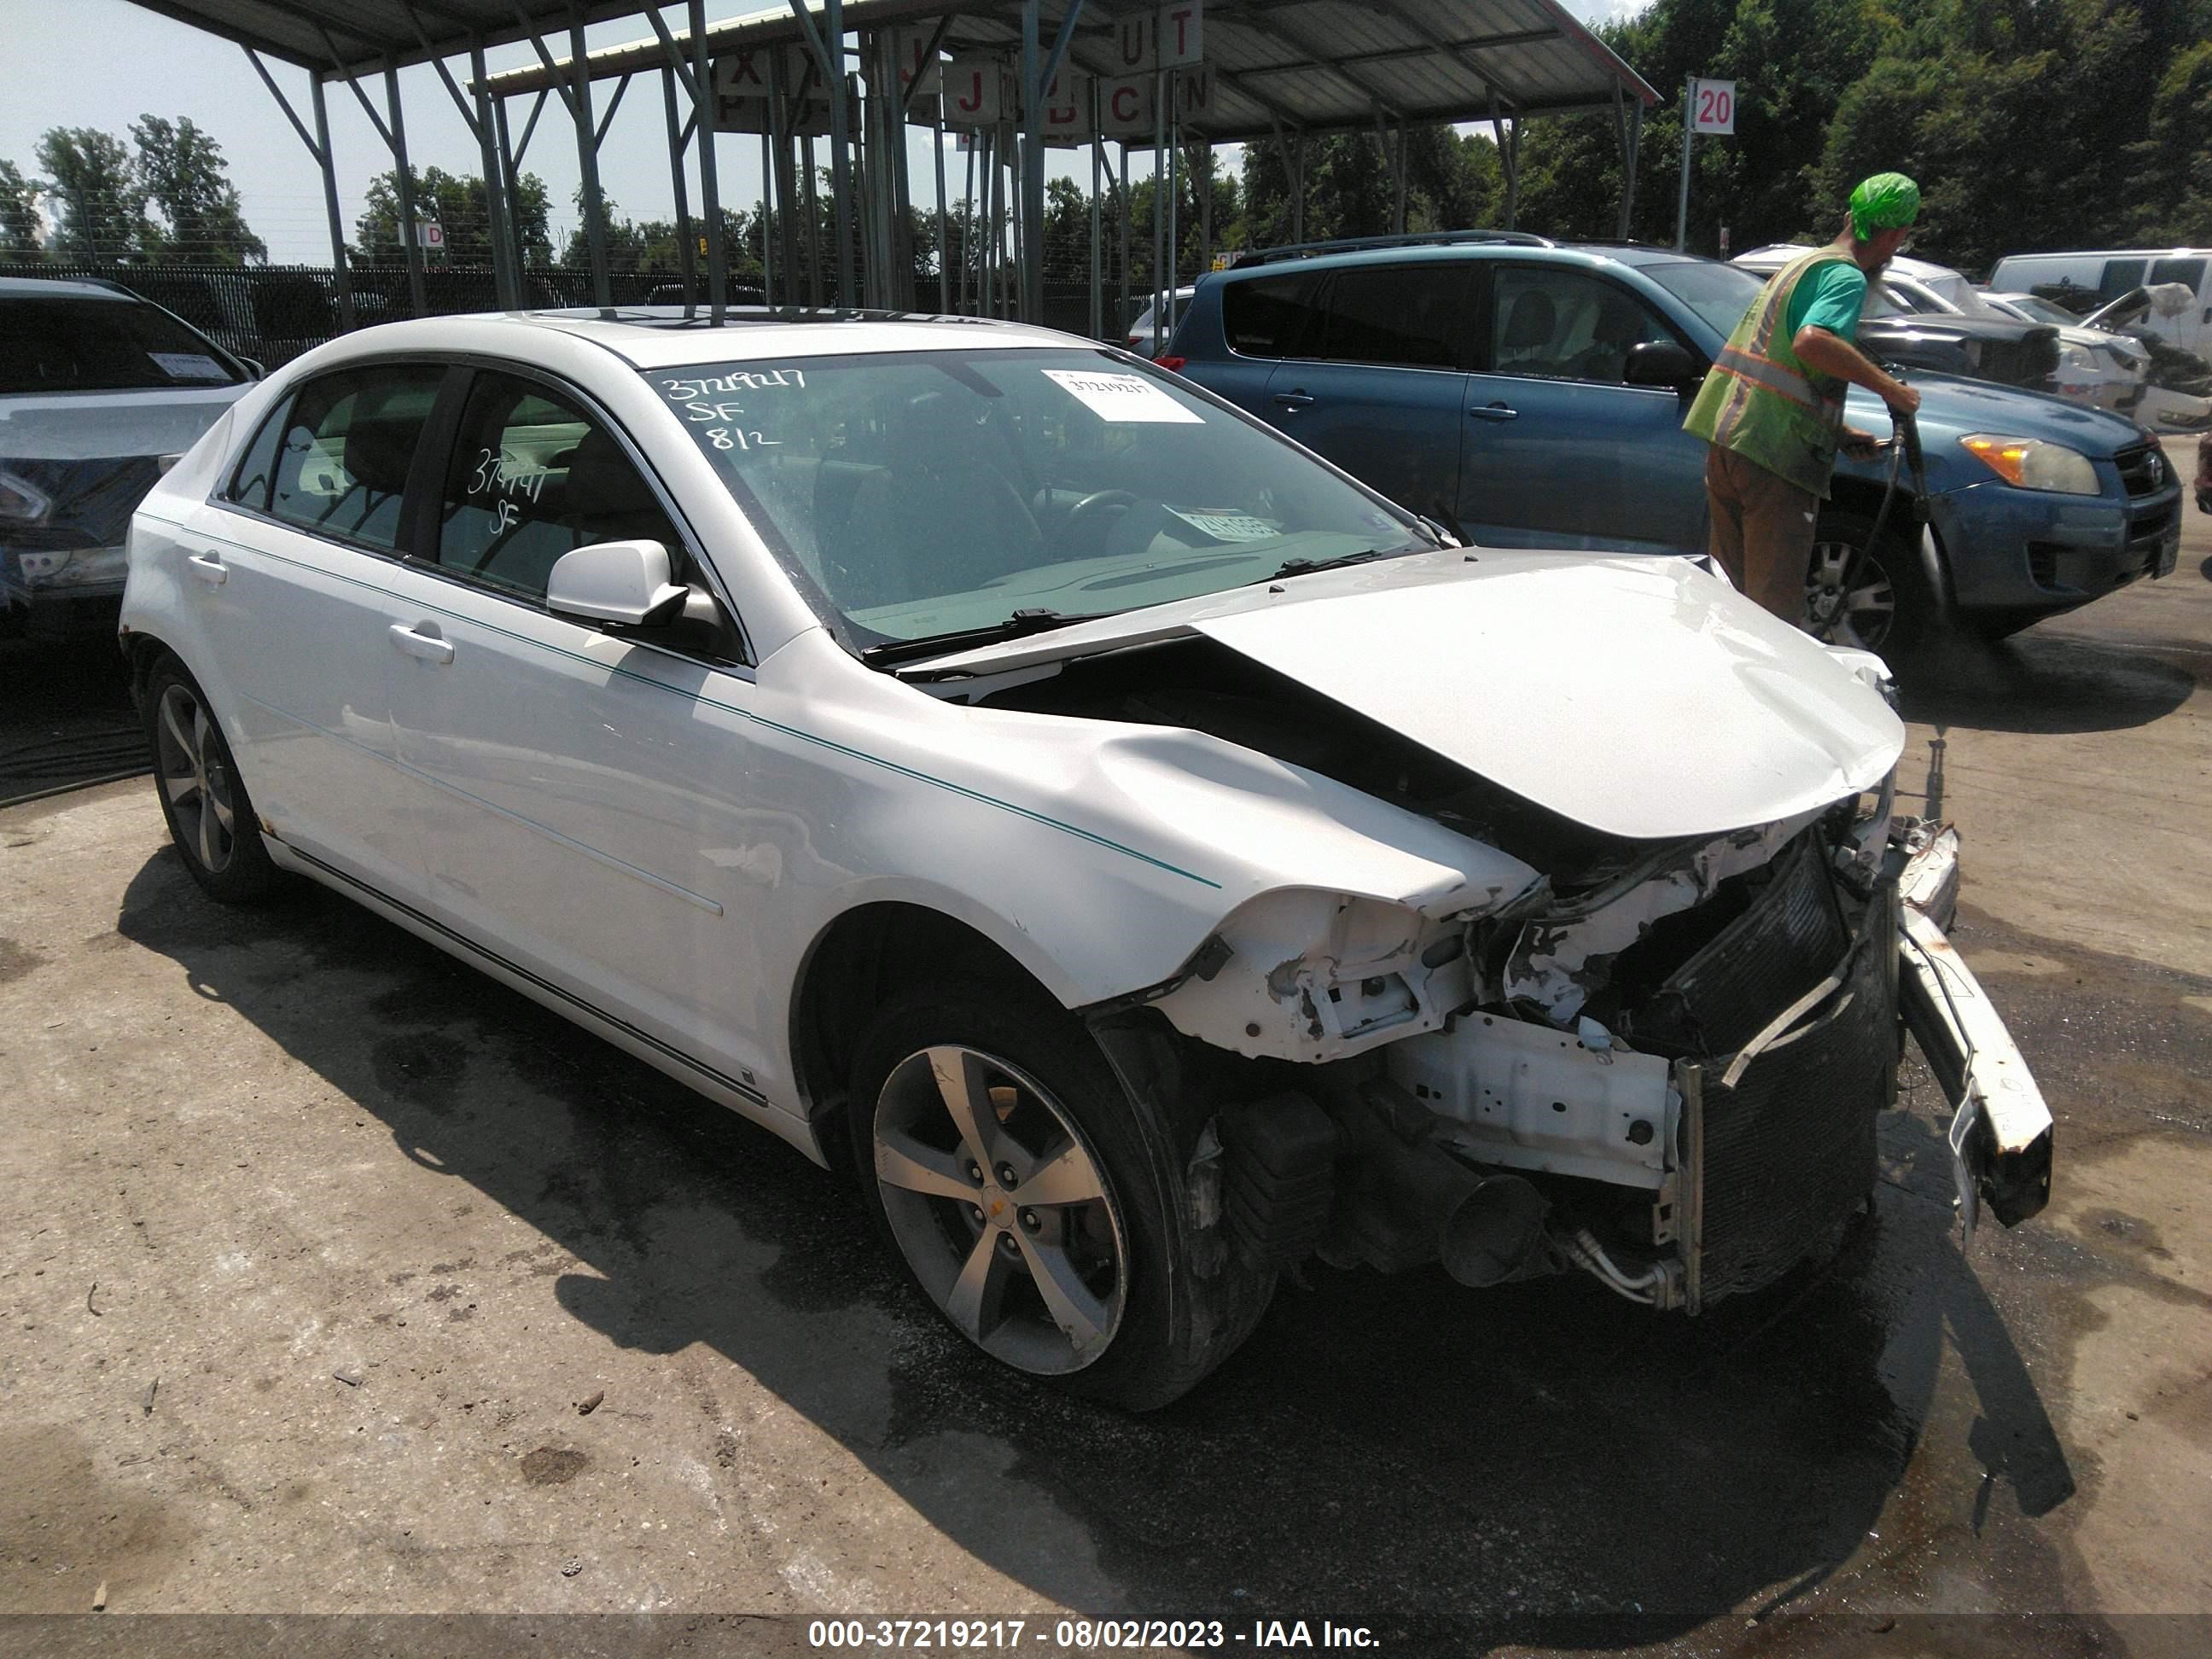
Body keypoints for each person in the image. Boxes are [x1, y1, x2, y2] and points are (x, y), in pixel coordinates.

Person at [1683, 172, 1926, 625]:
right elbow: (1812, 343)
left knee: (1730, 598)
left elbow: (1780, 365)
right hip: (1774, 458)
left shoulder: (1802, 265)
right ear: (1896, 235)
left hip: (1732, 443)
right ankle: (1770, 694)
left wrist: (1839, 431)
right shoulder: (1845, 277)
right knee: (1772, 613)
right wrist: (1892, 390)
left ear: (1851, 214)